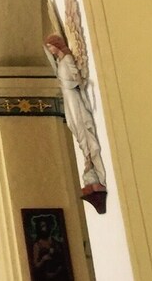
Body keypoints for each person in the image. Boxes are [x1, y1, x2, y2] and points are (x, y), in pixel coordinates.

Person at [44, 34, 107, 192]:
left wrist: (74, 85)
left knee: (80, 124)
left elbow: (77, 78)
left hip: (73, 96)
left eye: (50, 46)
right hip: (67, 96)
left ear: (57, 45)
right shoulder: (59, 62)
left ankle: (90, 159)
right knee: (73, 125)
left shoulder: (67, 60)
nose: (50, 49)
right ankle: (87, 159)